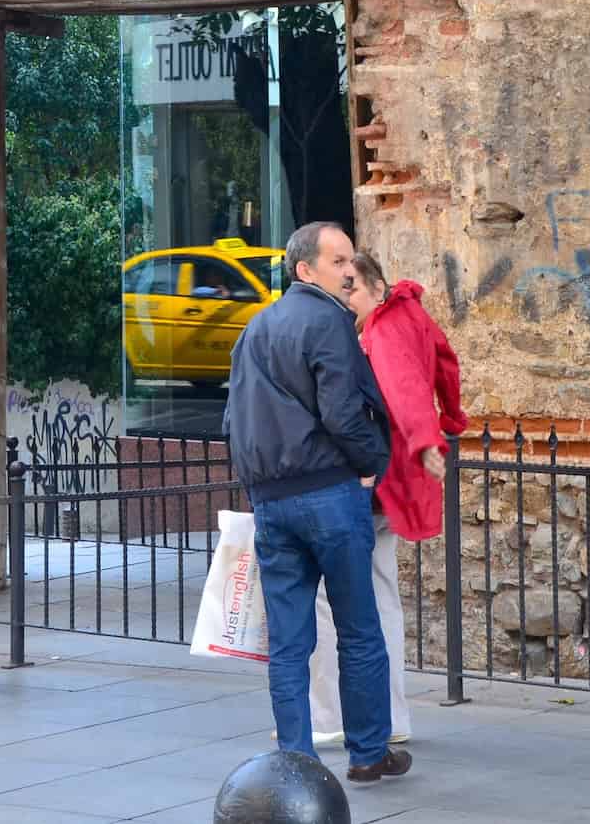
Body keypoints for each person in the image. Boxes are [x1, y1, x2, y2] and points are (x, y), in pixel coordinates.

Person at [224, 221, 411, 784]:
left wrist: (257, 483)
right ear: (305, 270)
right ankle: (367, 752)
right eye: (338, 261)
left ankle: (298, 759)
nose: (350, 269)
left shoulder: (254, 330)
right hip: (329, 492)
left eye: (350, 259)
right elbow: (343, 410)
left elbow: (231, 420)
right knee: (358, 628)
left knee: (289, 640)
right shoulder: (329, 320)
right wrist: (371, 463)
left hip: (273, 502)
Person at [306, 251, 468, 748]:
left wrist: (426, 441)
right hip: (389, 481)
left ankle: (333, 715)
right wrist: (453, 419)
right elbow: (445, 366)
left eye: (352, 287)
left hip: (371, 480)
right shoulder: (411, 315)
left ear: (377, 288)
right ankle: (392, 716)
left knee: (326, 601)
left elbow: (404, 392)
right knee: (381, 599)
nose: (346, 295)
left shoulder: (380, 331)